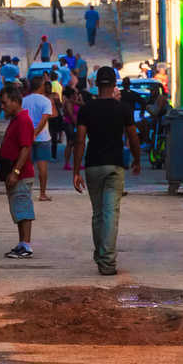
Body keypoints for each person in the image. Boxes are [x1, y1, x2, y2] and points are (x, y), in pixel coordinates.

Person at [71, 66, 140, 276]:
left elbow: (80, 140)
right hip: (115, 166)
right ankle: (107, 262)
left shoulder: (86, 109)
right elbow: (133, 136)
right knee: (111, 214)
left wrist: (76, 171)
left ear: (95, 85)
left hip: (93, 166)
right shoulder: (123, 109)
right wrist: (137, 160)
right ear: (114, 85)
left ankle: (101, 256)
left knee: (98, 213)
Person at [0, 85, 37, 258]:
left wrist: (16, 171)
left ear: (15, 101)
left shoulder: (23, 120)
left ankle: (26, 245)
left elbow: (26, 148)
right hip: (13, 172)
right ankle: (22, 243)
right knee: (18, 210)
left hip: (21, 174)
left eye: (5, 103)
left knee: (23, 208)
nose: (2, 107)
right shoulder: (16, 120)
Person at [22, 74, 55, 202]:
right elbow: (44, 118)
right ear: (41, 86)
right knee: (42, 167)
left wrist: (30, 134)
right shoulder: (46, 101)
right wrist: (35, 133)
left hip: (27, 137)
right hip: (43, 138)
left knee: (26, 166)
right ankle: (42, 193)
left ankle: (26, 192)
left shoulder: (24, 100)